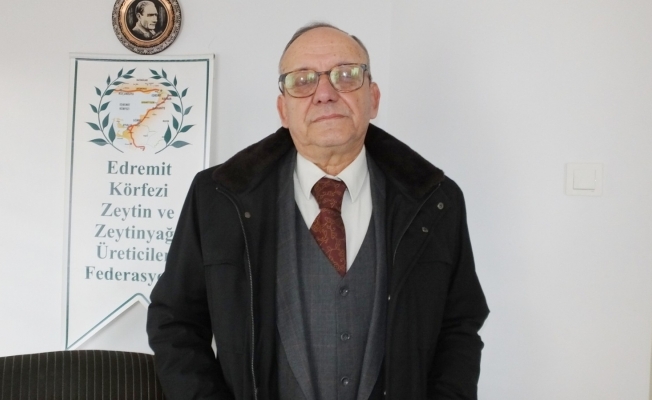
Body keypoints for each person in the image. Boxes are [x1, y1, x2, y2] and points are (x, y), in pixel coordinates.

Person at [147, 22, 489, 400]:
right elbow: (175, 322)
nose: (325, 94)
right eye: (303, 81)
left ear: (373, 98)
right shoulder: (216, 199)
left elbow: (459, 327)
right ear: (283, 109)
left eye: (346, 75)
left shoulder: (435, 203)